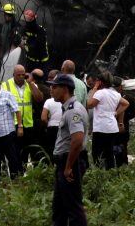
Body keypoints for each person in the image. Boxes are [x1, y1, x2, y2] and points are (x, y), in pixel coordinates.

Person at [47, 73, 88, 226]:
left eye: (54, 87)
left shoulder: (73, 110)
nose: (51, 90)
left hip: (70, 161)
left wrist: (69, 166)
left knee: (73, 206)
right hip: (65, 161)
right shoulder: (69, 108)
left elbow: (77, 140)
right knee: (59, 206)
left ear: (65, 89)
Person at [2, 64, 44, 165]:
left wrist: (30, 83)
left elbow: (39, 98)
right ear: (13, 74)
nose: (21, 77)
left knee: (28, 150)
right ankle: (17, 173)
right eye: (18, 75)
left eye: (23, 75)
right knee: (15, 151)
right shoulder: (5, 85)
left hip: (28, 123)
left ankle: (25, 171)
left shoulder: (30, 84)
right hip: (13, 123)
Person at [87, 72, 129, 169]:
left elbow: (89, 104)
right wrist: (115, 113)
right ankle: (110, 173)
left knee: (96, 153)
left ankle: (99, 173)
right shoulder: (115, 94)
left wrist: (94, 89)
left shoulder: (99, 93)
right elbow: (126, 103)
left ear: (100, 82)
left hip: (101, 128)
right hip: (112, 128)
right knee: (109, 153)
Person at [19, 9, 49, 74]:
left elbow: (37, 46)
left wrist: (25, 45)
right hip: (29, 61)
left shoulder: (40, 31)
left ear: (31, 21)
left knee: (38, 81)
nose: (24, 23)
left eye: (26, 21)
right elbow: (20, 38)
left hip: (41, 63)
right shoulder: (24, 29)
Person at [42, 71, 63, 159]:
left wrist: (48, 123)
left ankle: (52, 168)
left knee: (51, 150)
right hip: (62, 127)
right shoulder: (64, 101)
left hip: (51, 128)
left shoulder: (48, 101)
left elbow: (43, 118)